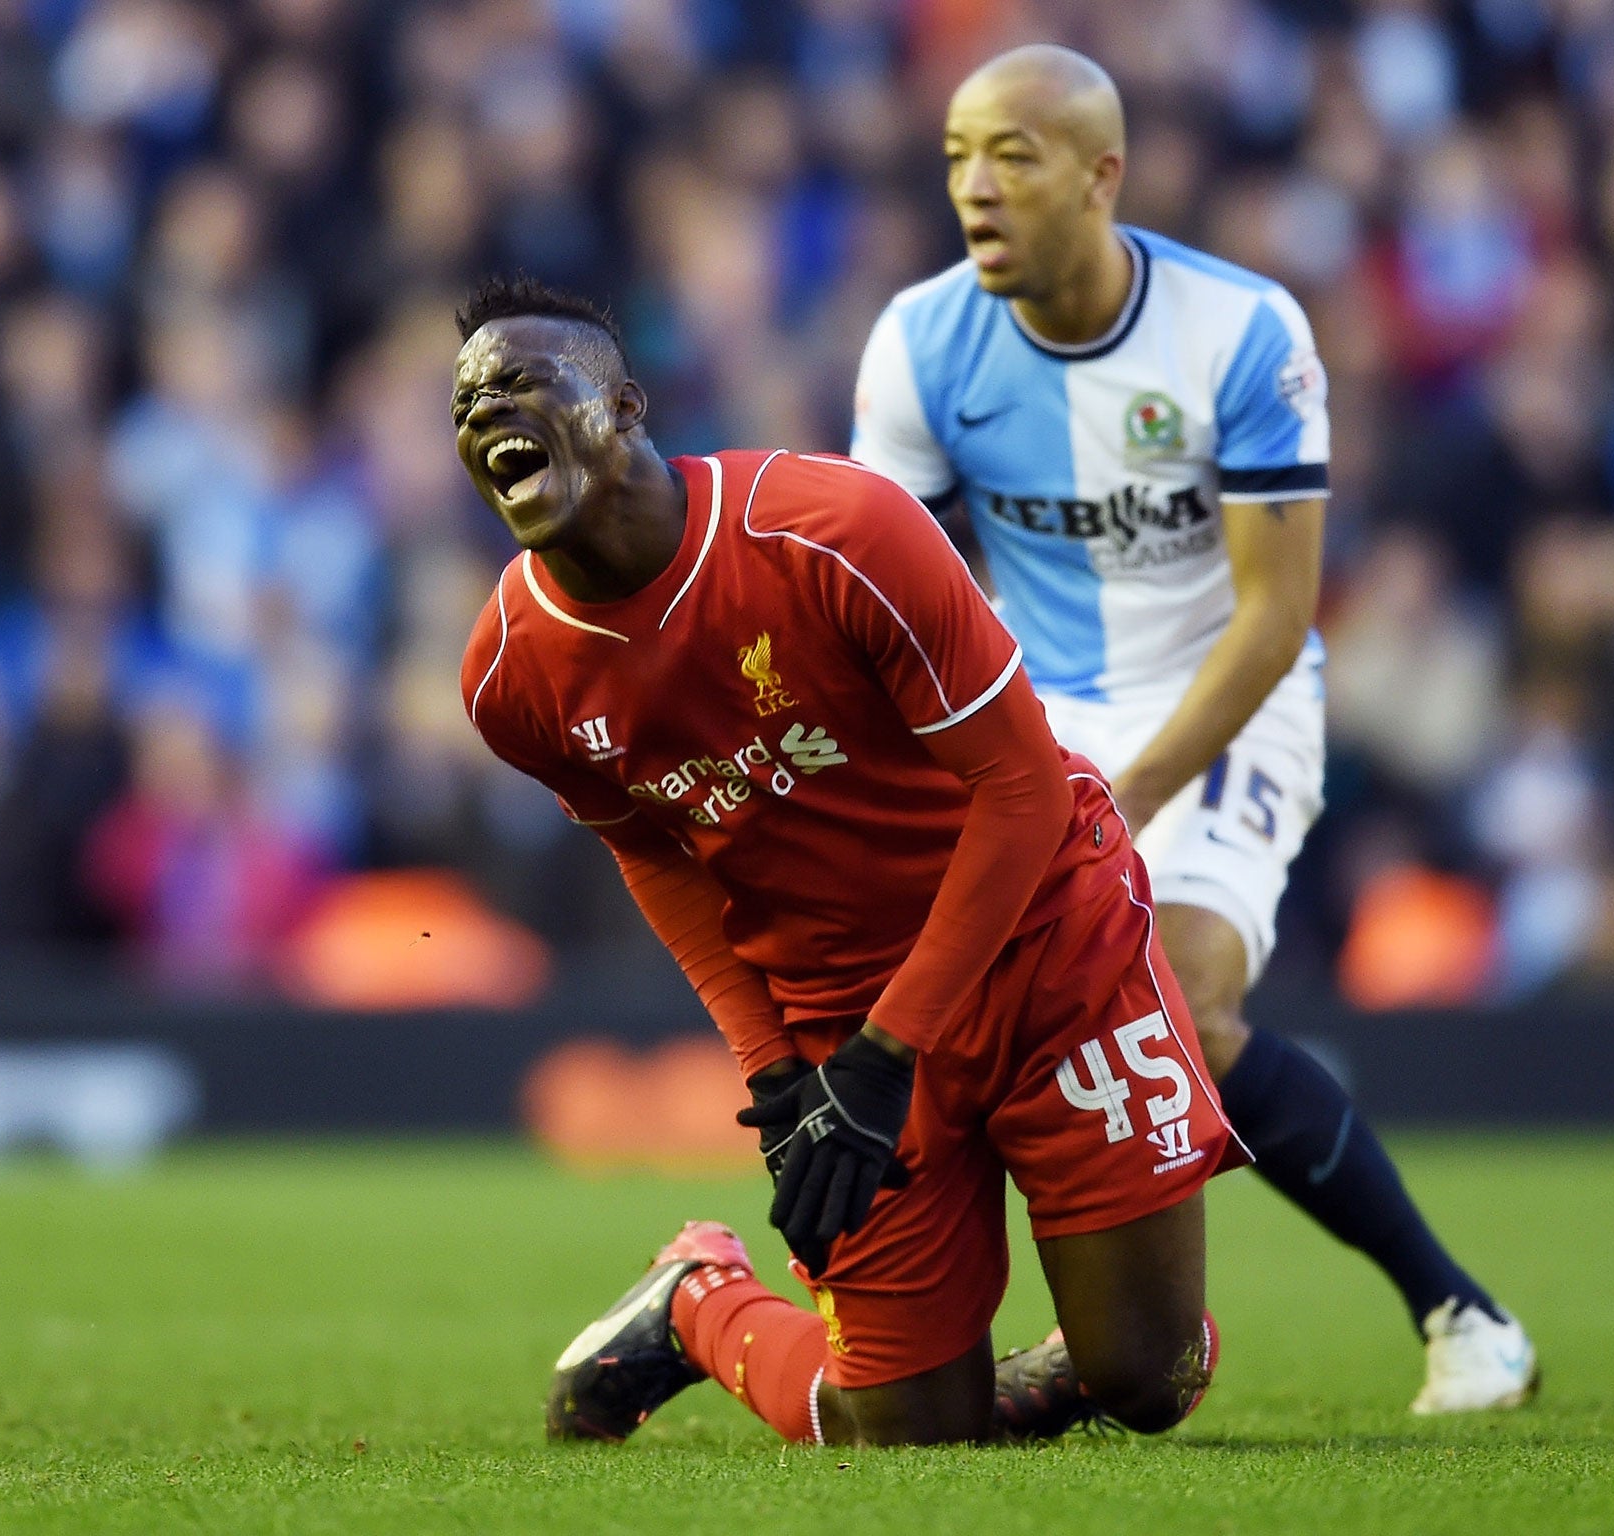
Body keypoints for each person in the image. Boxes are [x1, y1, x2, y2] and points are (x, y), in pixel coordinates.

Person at [849, 44, 1537, 1414]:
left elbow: (1277, 614)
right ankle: (1059, 1346)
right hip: (1036, 723)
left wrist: (1132, 790)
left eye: (1014, 158)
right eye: (956, 161)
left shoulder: (1241, 331)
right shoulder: (921, 342)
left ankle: (1463, 1313)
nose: (975, 190)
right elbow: (895, 609)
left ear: (1104, 177)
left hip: (1227, 700)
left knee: (1190, 1007)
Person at [452, 274, 1244, 1447]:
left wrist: (890, 1053)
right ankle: (696, 1304)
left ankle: (1112, 1323)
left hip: (1043, 941)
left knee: (1146, 1378)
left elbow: (1021, 791)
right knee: (906, 1433)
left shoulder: (831, 530)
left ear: (621, 406)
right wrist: (777, 1073)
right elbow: (660, 862)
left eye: (518, 383)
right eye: (462, 405)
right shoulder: (510, 673)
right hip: (842, 1005)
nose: (483, 415)